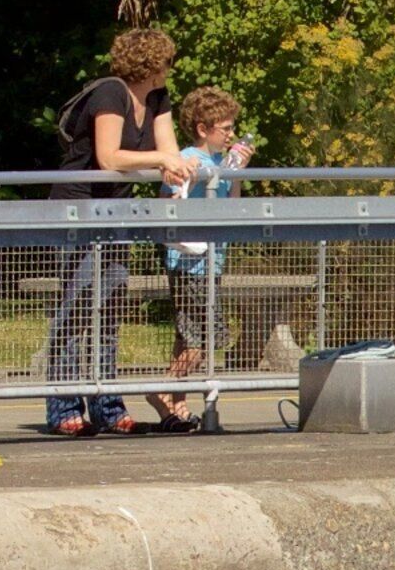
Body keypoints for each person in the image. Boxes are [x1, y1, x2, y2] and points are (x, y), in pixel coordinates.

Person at [48, 28, 195, 436]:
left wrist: (176, 164)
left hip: (117, 209)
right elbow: (108, 155)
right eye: (166, 61)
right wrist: (163, 158)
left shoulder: (158, 98)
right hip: (78, 206)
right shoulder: (110, 93)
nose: (171, 68)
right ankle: (63, 407)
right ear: (150, 63)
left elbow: (169, 151)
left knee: (110, 304)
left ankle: (109, 406)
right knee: (76, 304)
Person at [147, 86, 252, 431]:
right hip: (190, 262)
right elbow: (167, 199)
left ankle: (178, 405)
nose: (231, 135)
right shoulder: (187, 157)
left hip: (213, 260)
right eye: (225, 128)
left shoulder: (223, 163)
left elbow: (233, 207)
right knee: (204, 337)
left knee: (187, 335)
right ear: (203, 129)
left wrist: (237, 173)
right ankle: (162, 391)